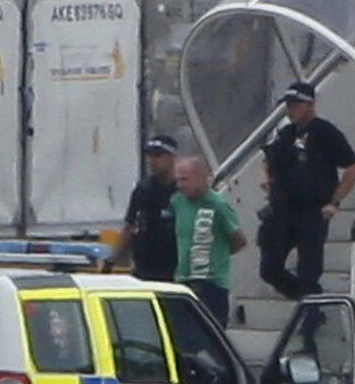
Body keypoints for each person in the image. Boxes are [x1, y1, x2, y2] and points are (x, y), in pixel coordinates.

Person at [260, 81, 355, 299]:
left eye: (295, 105)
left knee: (308, 272)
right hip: (284, 210)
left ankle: (311, 314)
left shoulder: (326, 132)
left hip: (313, 211)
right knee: (269, 268)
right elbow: (268, 159)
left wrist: (334, 202)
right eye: (288, 105)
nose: (290, 110)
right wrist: (266, 179)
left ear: (310, 105)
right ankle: (306, 300)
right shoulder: (286, 134)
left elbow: (352, 168)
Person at [172, 157, 247, 327]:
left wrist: (217, 254)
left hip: (212, 283)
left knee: (212, 332)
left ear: (201, 177)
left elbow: (239, 240)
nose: (180, 185)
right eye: (177, 180)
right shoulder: (177, 202)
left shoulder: (218, 205)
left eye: (184, 179)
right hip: (184, 280)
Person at [102, 135, 179, 281]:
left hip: (174, 268)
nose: (152, 161)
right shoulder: (143, 190)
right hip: (145, 267)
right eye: (150, 156)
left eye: (158, 156)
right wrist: (111, 260)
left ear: (172, 157)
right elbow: (129, 225)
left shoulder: (183, 190)